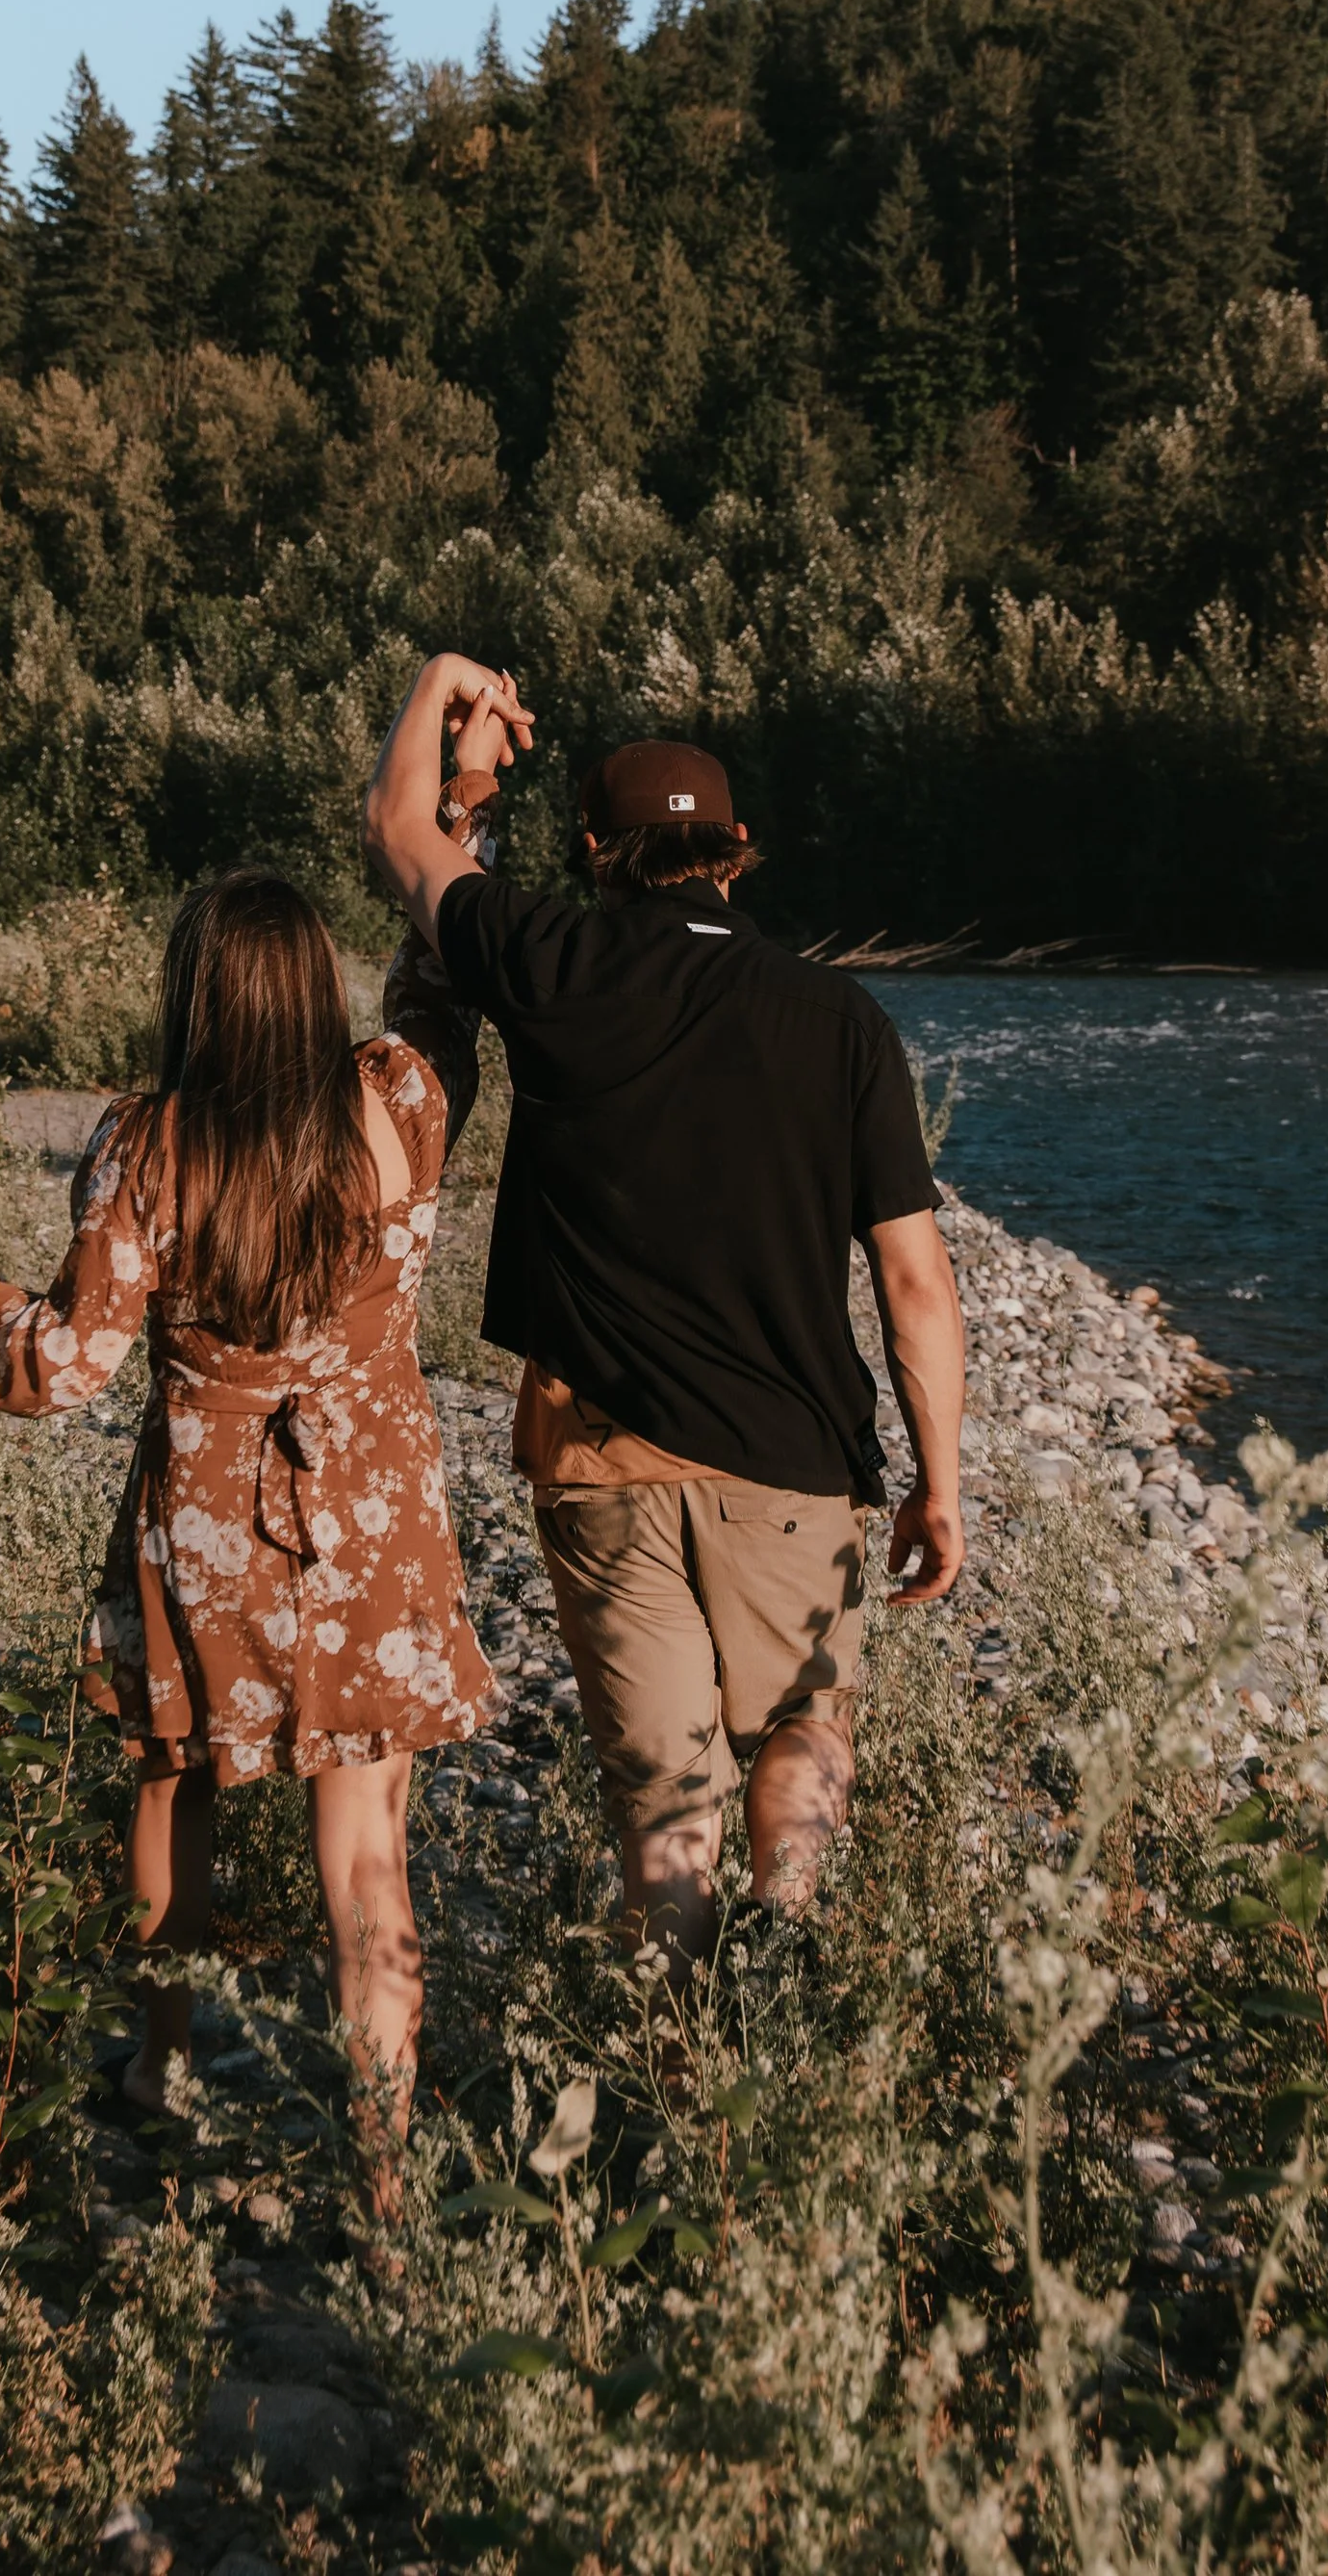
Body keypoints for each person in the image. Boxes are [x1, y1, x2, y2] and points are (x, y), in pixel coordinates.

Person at [0, 679, 524, 2192]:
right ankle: (383, 2154)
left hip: (208, 1524)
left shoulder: (147, 1143)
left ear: (197, 995)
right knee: (368, 1856)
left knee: (173, 1783)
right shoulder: (401, 1103)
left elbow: (65, 1365)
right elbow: (446, 957)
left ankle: (157, 2076)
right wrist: (462, 793)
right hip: (370, 1514)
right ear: (312, 990)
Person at [361, 656, 965, 1968]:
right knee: (805, 1730)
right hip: (797, 1472)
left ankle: (679, 2074)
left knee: (665, 1819)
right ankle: (785, 1955)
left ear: (594, 852)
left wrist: (445, 698)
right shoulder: (843, 1019)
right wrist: (940, 1480)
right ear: (736, 858)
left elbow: (399, 837)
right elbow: (915, 1282)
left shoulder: (552, 954)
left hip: (606, 1461)